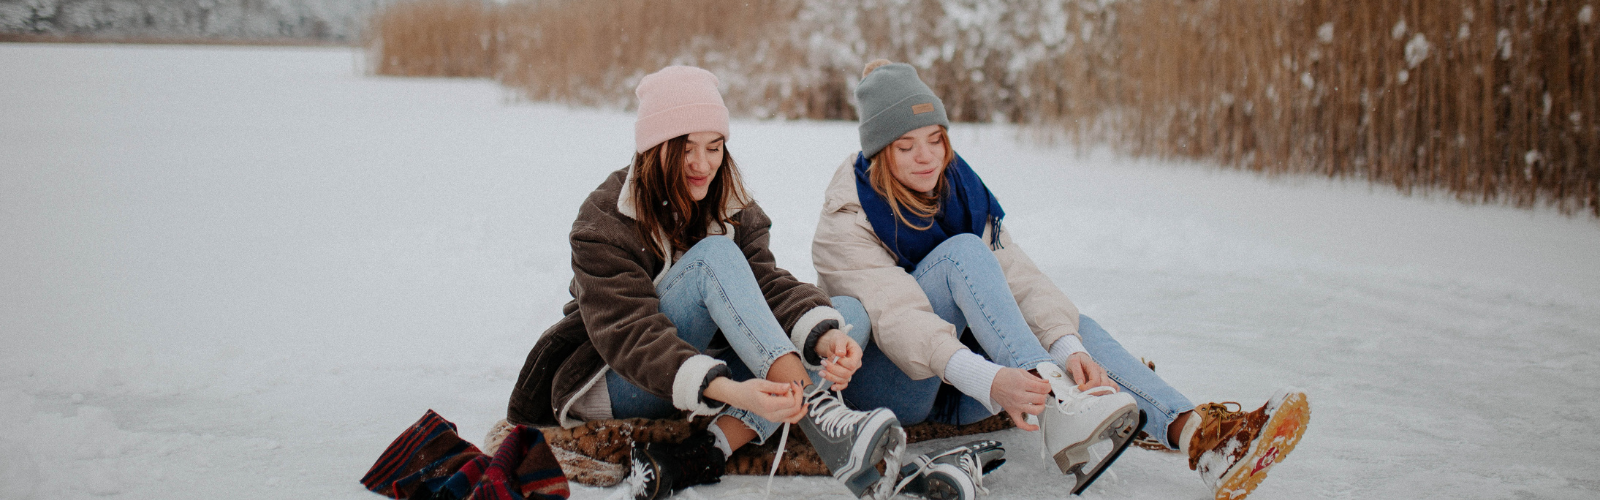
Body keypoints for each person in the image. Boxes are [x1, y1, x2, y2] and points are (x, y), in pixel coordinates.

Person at [811, 60, 1311, 500]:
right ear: (879, 153)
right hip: (899, 385)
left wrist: (1068, 347)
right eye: (906, 146)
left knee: (1071, 329)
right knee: (964, 253)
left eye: (935, 139)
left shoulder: (959, 191)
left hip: (968, 392)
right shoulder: (848, 216)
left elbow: (1020, 281)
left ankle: (1199, 438)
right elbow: (900, 321)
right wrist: (996, 377)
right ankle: (1059, 405)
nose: (927, 157)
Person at [499, 66, 903, 500]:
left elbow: (766, 283)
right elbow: (632, 337)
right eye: (684, 149)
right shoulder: (603, 219)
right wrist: (733, 391)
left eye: (714, 148)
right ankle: (818, 411)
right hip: (619, 377)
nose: (702, 164)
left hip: (704, 362)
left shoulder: (733, 204)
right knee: (714, 256)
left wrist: (825, 341)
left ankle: (706, 449)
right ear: (654, 149)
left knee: (845, 318)